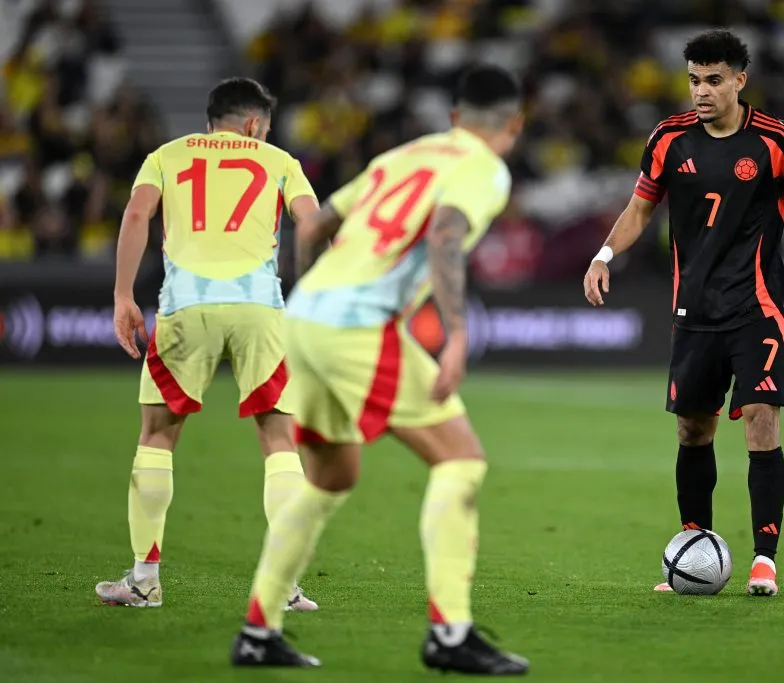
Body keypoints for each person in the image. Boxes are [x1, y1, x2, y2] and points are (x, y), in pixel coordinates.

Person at [228, 65, 529, 675]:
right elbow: (446, 234)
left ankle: (259, 632)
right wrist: (458, 332)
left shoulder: (406, 154)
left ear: (452, 117)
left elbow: (316, 223)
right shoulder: (485, 169)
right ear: (513, 125)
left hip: (305, 318)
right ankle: (450, 632)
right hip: (357, 327)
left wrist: (310, 289)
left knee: (330, 478)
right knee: (460, 459)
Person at [583, 30, 784, 597]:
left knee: (760, 418)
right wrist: (604, 255)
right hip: (693, 312)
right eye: (693, 81)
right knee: (692, 429)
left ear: (739, 80)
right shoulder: (667, 138)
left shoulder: (777, 141)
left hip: (756, 310)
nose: (700, 92)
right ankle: (694, 546)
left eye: (712, 80)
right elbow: (638, 209)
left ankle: (764, 559)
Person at [98, 77, 320, 612]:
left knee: (157, 436)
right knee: (279, 440)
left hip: (186, 305)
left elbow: (135, 215)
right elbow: (311, 222)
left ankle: (145, 580)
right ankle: (284, 587)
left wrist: (123, 295)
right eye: (263, 130)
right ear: (252, 125)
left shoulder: (165, 156)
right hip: (259, 309)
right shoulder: (281, 162)